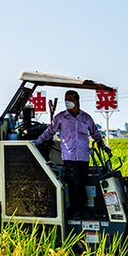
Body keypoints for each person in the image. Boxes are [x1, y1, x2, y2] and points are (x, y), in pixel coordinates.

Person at [33, 90, 111, 218]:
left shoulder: (86, 118)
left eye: (69, 99)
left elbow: (95, 134)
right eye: (65, 99)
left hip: (83, 155)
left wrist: (103, 146)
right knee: (75, 182)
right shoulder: (61, 118)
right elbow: (49, 132)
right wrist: (37, 142)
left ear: (76, 100)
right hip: (69, 155)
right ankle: (76, 211)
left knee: (83, 182)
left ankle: (83, 209)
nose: (67, 102)